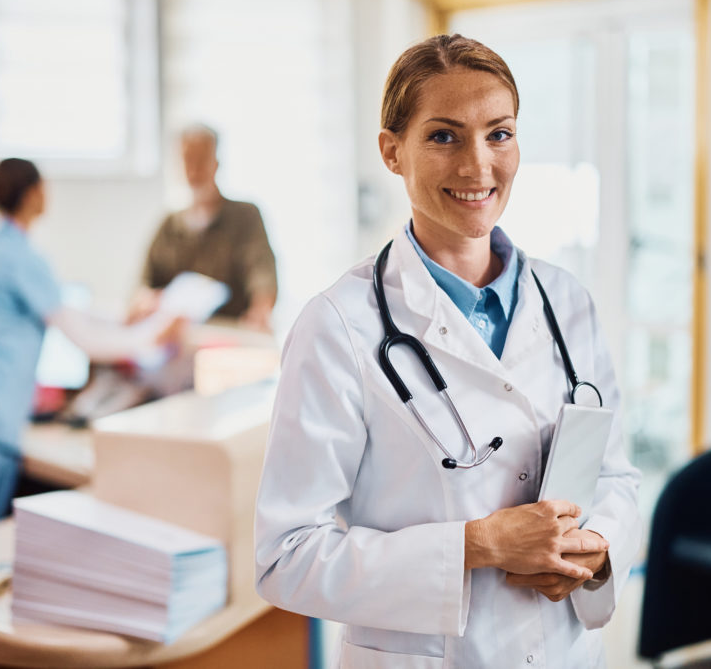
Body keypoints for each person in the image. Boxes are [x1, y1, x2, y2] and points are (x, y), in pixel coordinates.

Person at [254, 35, 641, 668]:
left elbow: (617, 477)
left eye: (499, 133)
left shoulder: (568, 302)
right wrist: (475, 545)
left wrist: (597, 545)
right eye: (443, 136)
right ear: (391, 151)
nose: (478, 166)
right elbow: (286, 556)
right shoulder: (337, 327)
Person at [0, 158, 180, 669]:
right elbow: (82, 337)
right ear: (34, 195)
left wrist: (123, 318)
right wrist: (155, 332)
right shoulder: (22, 257)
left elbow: (61, 315)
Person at [129, 124, 278, 332]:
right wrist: (144, 301)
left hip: (230, 333)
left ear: (216, 163)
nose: (193, 170)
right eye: (187, 160)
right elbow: (144, 284)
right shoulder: (169, 225)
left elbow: (261, 271)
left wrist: (260, 310)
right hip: (178, 339)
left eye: (201, 160)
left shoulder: (245, 217)